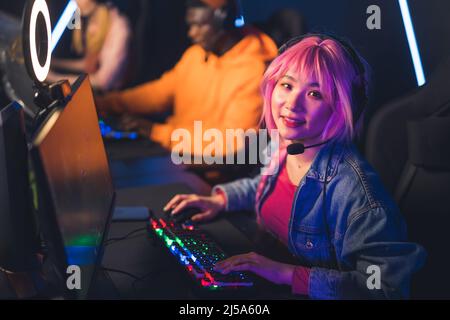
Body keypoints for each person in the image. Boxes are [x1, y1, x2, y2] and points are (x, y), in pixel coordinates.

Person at [164, 34, 426, 299]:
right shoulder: (286, 145)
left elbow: (386, 289)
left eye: (314, 93)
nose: (292, 104)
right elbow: (264, 184)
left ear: (343, 106)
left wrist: (286, 274)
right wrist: (219, 200)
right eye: (287, 85)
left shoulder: (355, 192)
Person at [95, 0, 278, 156]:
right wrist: (106, 104)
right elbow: (161, 92)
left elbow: (231, 141)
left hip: (206, 173)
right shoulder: (197, 54)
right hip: (178, 152)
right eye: (190, 25)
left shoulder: (253, 71)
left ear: (224, 22)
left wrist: (157, 132)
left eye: (199, 25)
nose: (192, 33)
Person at [47, 0, 132, 91]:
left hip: (113, 96)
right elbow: (87, 64)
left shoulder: (120, 30)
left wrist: (53, 78)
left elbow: (102, 81)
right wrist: (54, 63)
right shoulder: (99, 17)